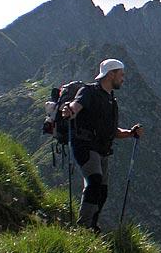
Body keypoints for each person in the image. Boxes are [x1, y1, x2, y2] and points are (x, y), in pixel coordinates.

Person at [61, 58, 143, 232]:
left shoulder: (112, 101)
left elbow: (112, 131)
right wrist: (70, 110)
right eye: (121, 75)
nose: (123, 78)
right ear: (111, 74)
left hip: (102, 150)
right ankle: (83, 228)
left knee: (102, 191)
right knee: (95, 182)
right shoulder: (88, 91)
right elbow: (76, 106)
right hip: (85, 146)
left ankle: (92, 226)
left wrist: (130, 133)